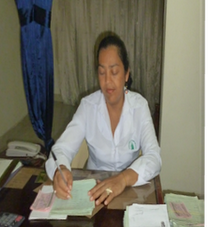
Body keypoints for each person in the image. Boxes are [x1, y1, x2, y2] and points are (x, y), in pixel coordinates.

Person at [47, 33, 161, 208]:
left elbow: (154, 158)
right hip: (93, 193)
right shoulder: (88, 106)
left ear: (126, 74)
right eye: (102, 72)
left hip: (129, 191)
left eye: (114, 72)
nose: (107, 81)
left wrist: (122, 179)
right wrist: (59, 169)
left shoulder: (139, 107)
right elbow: (61, 149)